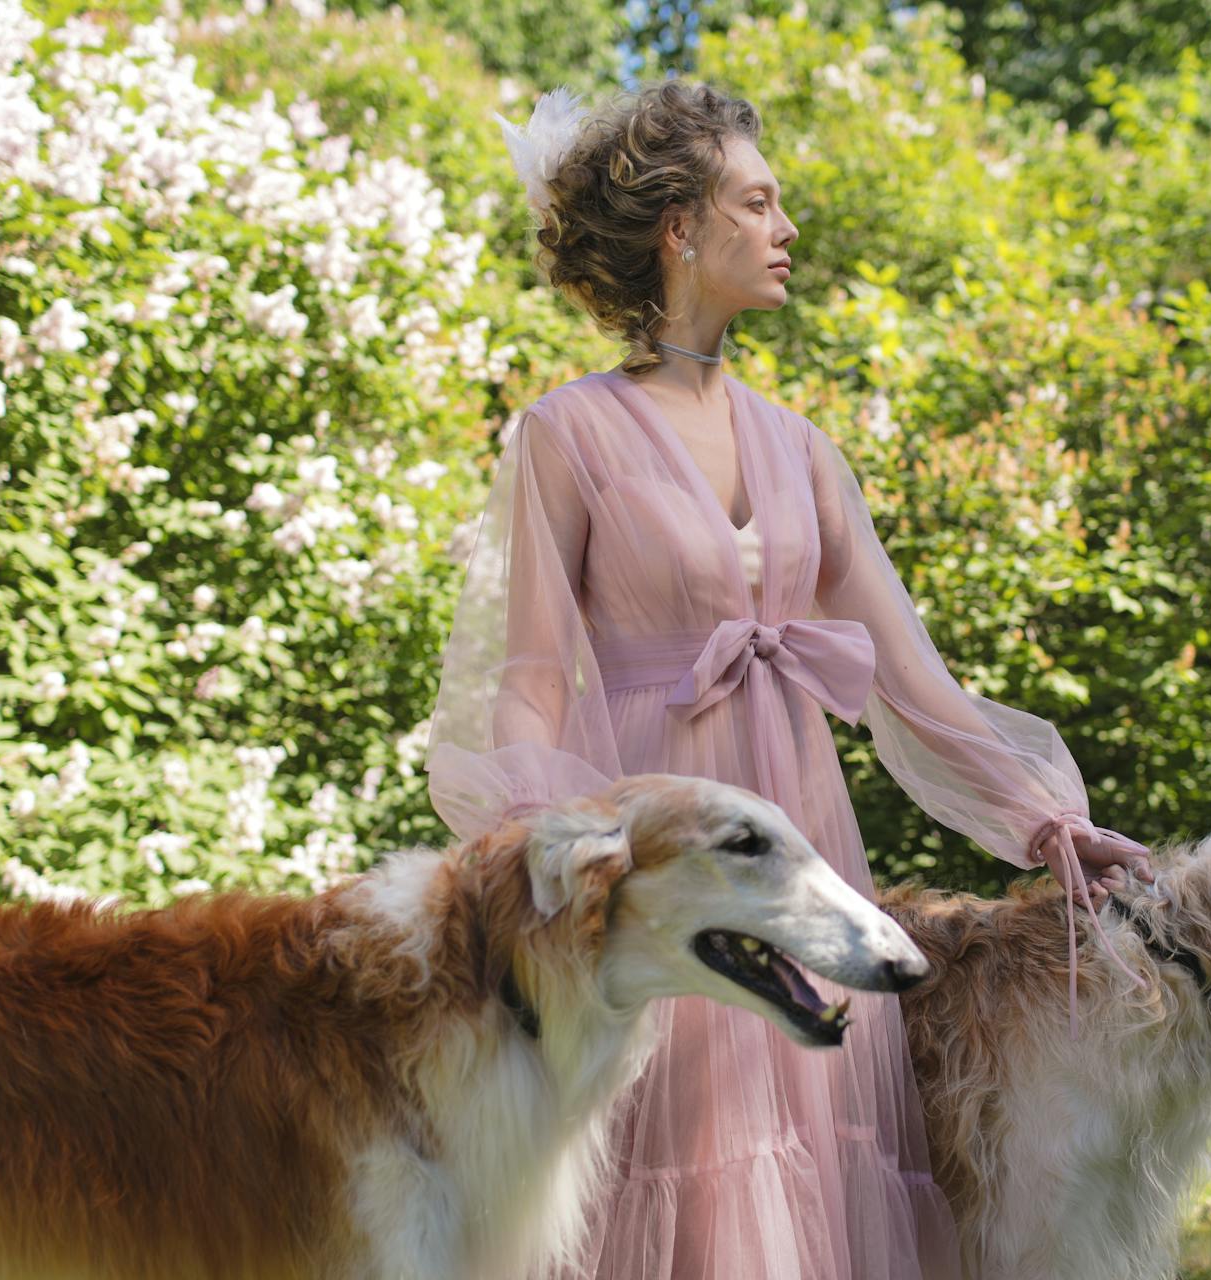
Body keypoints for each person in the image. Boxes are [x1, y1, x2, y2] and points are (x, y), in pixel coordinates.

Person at [425, 77, 1155, 1280]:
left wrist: (1046, 818)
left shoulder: (804, 449)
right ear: (680, 228)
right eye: (758, 203)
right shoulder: (569, 433)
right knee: (660, 1133)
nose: (786, 229)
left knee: (805, 1131)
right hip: (656, 848)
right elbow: (535, 677)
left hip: (799, 835)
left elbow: (913, 679)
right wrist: (530, 856)